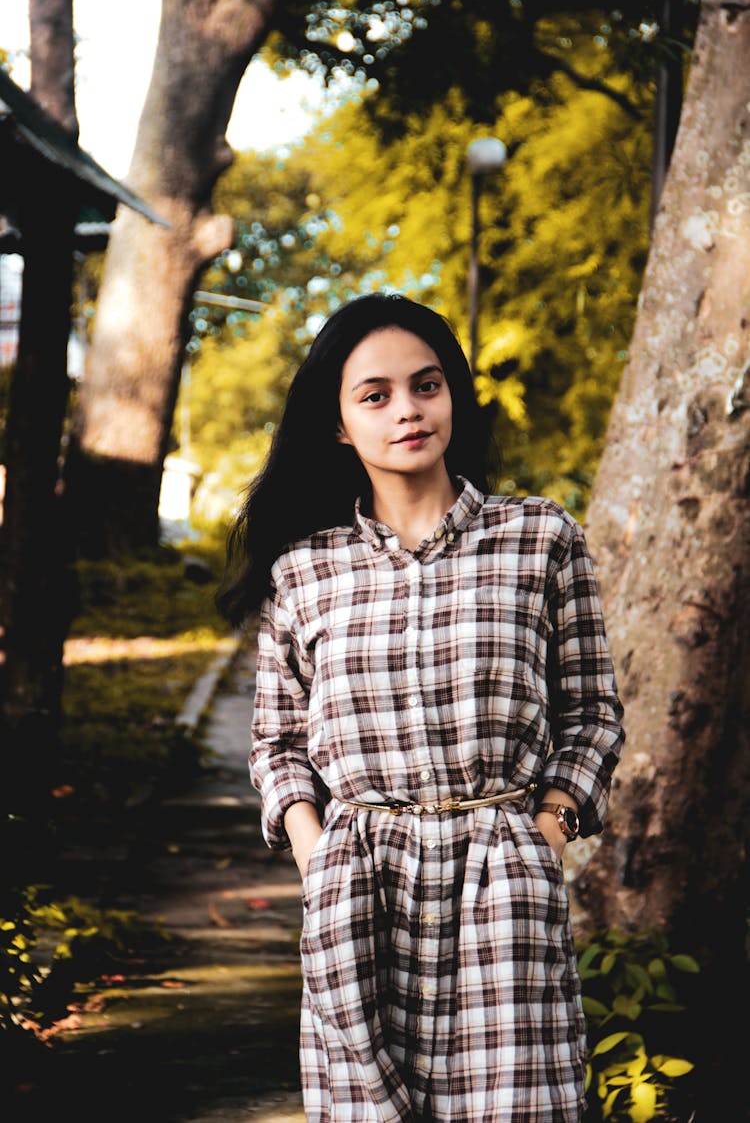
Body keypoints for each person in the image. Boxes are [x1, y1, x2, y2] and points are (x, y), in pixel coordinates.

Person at [216, 292, 625, 1123]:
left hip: (500, 876)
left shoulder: (539, 537)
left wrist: (542, 835)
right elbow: (277, 741)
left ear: (452, 395)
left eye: (426, 385)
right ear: (338, 423)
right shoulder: (305, 572)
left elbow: (591, 713)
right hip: (358, 884)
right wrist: (317, 856)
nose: (407, 409)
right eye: (376, 395)